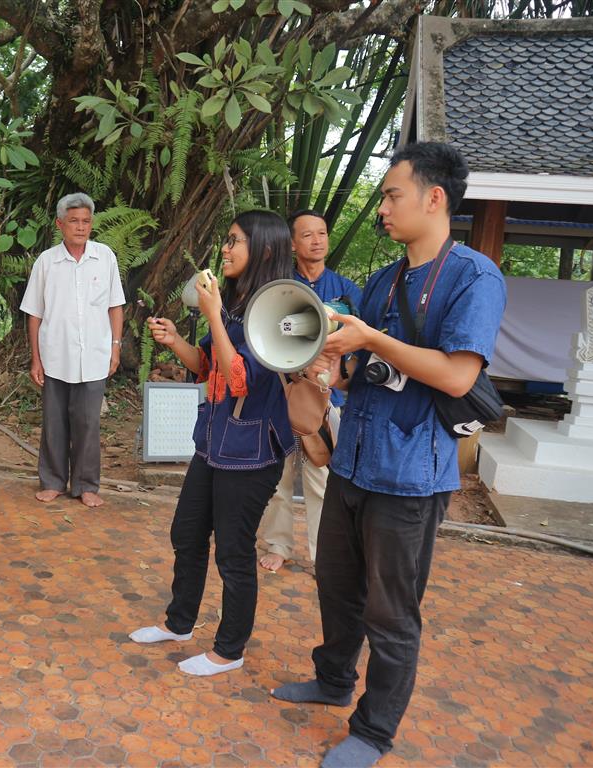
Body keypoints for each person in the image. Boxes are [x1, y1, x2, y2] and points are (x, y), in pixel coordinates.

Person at [270, 142, 506, 768]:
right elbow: (359, 373)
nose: (382, 208)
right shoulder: (383, 280)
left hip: (411, 475)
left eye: (391, 195)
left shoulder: (474, 277)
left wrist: (371, 337)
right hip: (353, 461)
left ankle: (373, 732)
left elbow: (456, 376)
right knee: (336, 585)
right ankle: (333, 681)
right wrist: (328, 365)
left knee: (391, 610)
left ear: (434, 197)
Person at [129, 210, 294, 676]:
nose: (224, 248)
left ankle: (229, 649)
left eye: (234, 240)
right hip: (214, 440)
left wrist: (214, 313)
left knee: (233, 552)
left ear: (264, 248)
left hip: (252, 450)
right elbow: (206, 366)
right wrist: (175, 340)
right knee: (186, 533)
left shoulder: (280, 309)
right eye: (226, 239)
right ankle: (179, 623)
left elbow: (240, 379)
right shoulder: (235, 301)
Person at [257, 210, 362, 572]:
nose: (317, 241)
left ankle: (323, 555)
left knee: (322, 479)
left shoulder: (346, 290)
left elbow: (361, 343)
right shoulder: (279, 289)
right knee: (278, 477)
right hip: (282, 395)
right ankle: (278, 544)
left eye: (322, 233)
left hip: (329, 400)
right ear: (291, 244)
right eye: (307, 235)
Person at [20, 192, 125, 508]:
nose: (81, 227)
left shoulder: (105, 257)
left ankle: (86, 485)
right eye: (74, 221)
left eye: (86, 221)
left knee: (88, 424)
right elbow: (34, 313)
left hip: (94, 356)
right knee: (54, 423)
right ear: (60, 224)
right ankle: (53, 481)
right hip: (55, 355)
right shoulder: (46, 262)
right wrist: (36, 358)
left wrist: (115, 347)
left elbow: (115, 306)